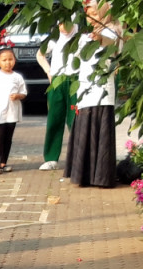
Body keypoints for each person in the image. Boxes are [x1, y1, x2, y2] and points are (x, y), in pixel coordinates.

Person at [64, 0, 122, 188]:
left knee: (99, 129)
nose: (91, 18)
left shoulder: (112, 31)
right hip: (85, 90)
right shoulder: (84, 36)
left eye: (95, 14)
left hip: (102, 91)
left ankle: (102, 177)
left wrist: (99, 36)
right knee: (84, 129)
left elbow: (111, 43)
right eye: (88, 14)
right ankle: (84, 176)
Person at [36, 22, 79, 171]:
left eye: (66, 23)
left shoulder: (81, 36)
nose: (62, 27)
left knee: (76, 119)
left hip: (76, 81)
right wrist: (49, 71)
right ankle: (51, 158)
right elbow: (40, 54)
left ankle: (78, 157)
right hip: (57, 82)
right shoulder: (54, 39)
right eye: (60, 23)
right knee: (55, 118)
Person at [0, 48, 26, 174]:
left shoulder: (17, 77)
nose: (8, 62)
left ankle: (4, 162)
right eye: (4, 60)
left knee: (8, 138)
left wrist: (17, 96)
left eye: (10, 59)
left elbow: (23, 93)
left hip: (12, 113)